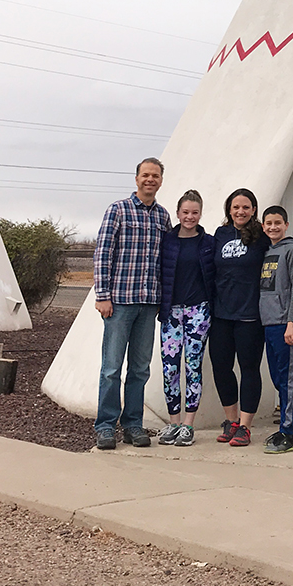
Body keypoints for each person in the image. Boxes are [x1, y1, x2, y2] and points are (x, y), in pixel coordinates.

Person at [93, 157, 170, 450]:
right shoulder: (118, 210)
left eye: (155, 176)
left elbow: (166, 261)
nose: (150, 180)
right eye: (145, 175)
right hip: (120, 302)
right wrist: (103, 295)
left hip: (149, 303)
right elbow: (103, 253)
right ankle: (105, 426)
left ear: (161, 181)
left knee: (140, 369)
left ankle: (133, 425)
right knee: (111, 368)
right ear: (136, 178)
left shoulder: (162, 217)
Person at [208, 187, 270, 447]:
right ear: (229, 210)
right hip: (221, 313)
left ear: (253, 209)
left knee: (248, 369)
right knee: (221, 368)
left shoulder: (261, 237)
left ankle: (245, 426)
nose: (240, 211)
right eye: (236, 207)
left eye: (245, 207)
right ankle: (231, 421)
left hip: (249, 315)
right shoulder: (220, 235)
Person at [156, 190, 215, 447]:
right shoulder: (167, 241)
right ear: (178, 213)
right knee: (170, 368)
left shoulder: (208, 242)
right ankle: (174, 422)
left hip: (198, 311)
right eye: (185, 212)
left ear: (200, 214)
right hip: (171, 311)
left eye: (194, 212)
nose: (189, 217)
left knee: (193, 366)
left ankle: (188, 425)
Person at [259, 205, 293, 454]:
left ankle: (290, 433)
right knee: (277, 377)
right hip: (269, 322)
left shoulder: (292, 250)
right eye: (268, 223)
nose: (273, 227)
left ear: (286, 224)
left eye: (278, 222)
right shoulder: (268, 251)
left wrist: (292, 322)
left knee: (287, 379)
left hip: (285, 323)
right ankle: (286, 427)